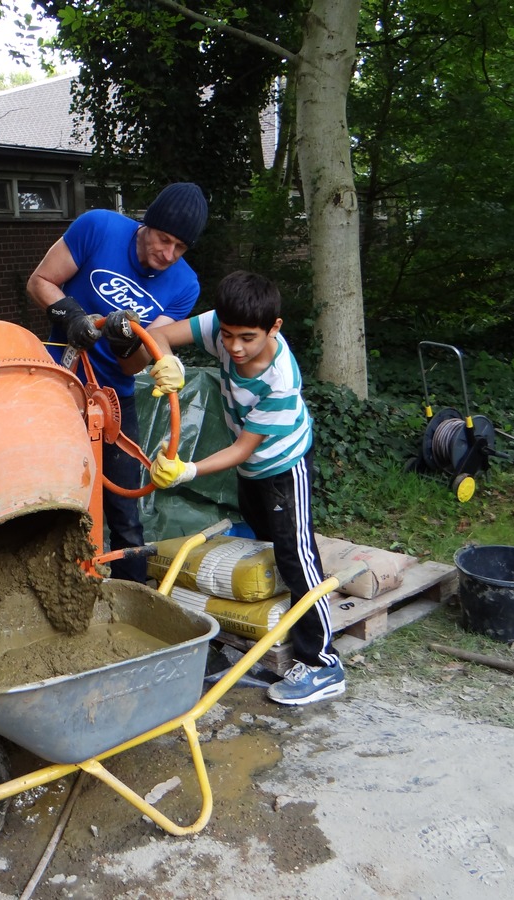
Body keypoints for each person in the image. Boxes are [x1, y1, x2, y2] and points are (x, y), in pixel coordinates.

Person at [130, 270, 343, 706]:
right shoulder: (220, 326)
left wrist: (188, 470)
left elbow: (245, 448)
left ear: (274, 328)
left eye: (248, 337)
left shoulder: (280, 380)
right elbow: (158, 334)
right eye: (227, 335)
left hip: (283, 468)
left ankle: (323, 663)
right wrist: (164, 362)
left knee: (296, 554)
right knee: (263, 546)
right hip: (251, 472)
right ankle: (271, 632)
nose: (234, 347)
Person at [26, 183, 209, 582]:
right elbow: (40, 281)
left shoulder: (185, 285)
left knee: (125, 511)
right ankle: (51, 586)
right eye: (164, 240)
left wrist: (128, 342)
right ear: (147, 224)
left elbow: (136, 363)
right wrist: (72, 315)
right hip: (55, 383)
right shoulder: (98, 227)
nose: (168, 255)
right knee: (51, 498)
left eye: (180, 248)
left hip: (112, 398)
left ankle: (133, 597)